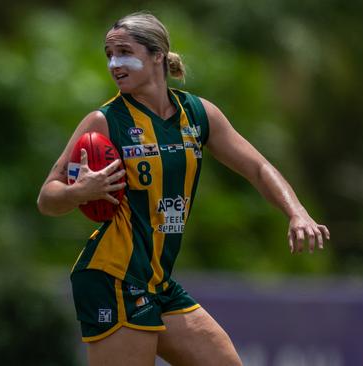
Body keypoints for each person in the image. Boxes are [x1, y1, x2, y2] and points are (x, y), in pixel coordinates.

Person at [37, 11, 330, 365]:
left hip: (158, 282)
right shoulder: (105, 120)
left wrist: (296, 212)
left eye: (125, 52)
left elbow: (258, 167)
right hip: (113, 276)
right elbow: (47, 197)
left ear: (157, 55)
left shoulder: (198, 114)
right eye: (109, 54)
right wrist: (77, 192)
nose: (115, 63)